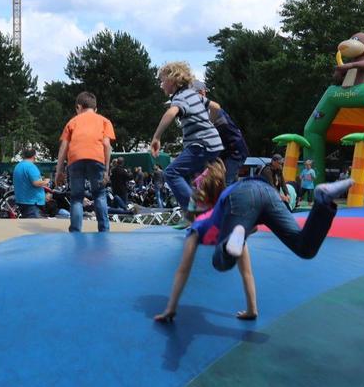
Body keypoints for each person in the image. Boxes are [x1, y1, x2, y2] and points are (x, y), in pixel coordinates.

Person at [154, 160, 353, 322]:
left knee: (220, 262)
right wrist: (252, 310)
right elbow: (246, 272)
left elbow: (183, 270)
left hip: (242, 200)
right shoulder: (234, 224)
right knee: (304, 248)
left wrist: (170, 309)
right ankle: (323, 200)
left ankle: (231, 242)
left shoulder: (197, 228)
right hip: (265, 191)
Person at [151, 62, 223, 211]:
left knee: (171, 173)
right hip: (213, 144)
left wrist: (156, 137)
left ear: (172, 81)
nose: (161, 85)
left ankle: (193, 211)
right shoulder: (193, 95)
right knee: (192, 180)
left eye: (162, 81)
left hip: (201, 144)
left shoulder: (180, 97)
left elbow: (171, 113)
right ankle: (208, 210)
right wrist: (210, 124)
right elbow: (216, 107)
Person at [55, 92, 115, 232]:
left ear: (78, 107)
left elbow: (64, 147)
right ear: (96, 109)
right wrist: (106, 170)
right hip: (97, 158)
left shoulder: (72, 122)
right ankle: (103, 229)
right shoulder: (104, 121)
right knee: (99, 194)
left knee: (76, 197)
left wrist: (59, 171)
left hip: (75, 159)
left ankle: (76, 230)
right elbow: (106, 145)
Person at [191, 79, 249, 185]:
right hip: (224, 153)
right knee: (215, 183)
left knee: (224, 183)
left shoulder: (212, 111)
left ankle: (229, 199)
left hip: (234, 152)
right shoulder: (201, 112)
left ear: (201, 93)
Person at [13, 148, 49, 219]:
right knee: (35, 227)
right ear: (34, 156)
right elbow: (36, 183)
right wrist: (46, 181)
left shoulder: (18, 166)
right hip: (32, 203)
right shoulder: (31, 166)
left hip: (22, 201)